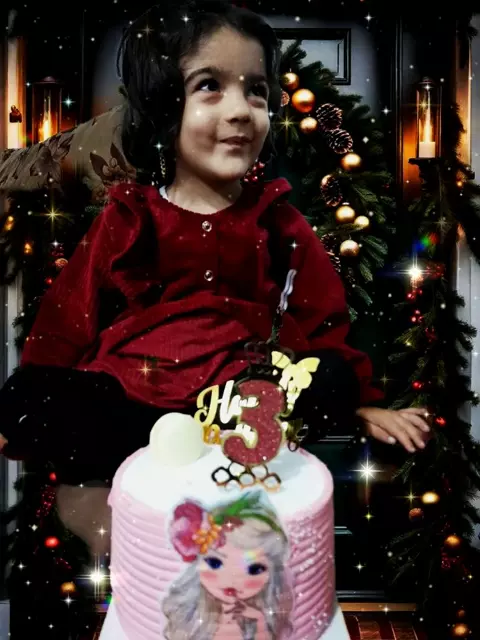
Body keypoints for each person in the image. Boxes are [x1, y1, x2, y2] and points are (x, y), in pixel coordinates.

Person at [0, 0, 429, 489]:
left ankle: (213, 458)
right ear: (164, 106)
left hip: (243, 401)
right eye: (210, 86)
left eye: (257, 91)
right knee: (29, 393)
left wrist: (361, 403)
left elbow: (323, 318)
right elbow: (66, 318)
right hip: (137, 398)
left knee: (331, 376)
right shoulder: (130, 216)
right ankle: (163, 458)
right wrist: (35, 398)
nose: (240, 111)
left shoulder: (278, 221)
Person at [163, 492, 293, 639]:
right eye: (215, 563)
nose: (231, 580)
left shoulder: (255, 616)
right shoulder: (195, 616)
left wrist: (260, 621)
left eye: (254, 569)